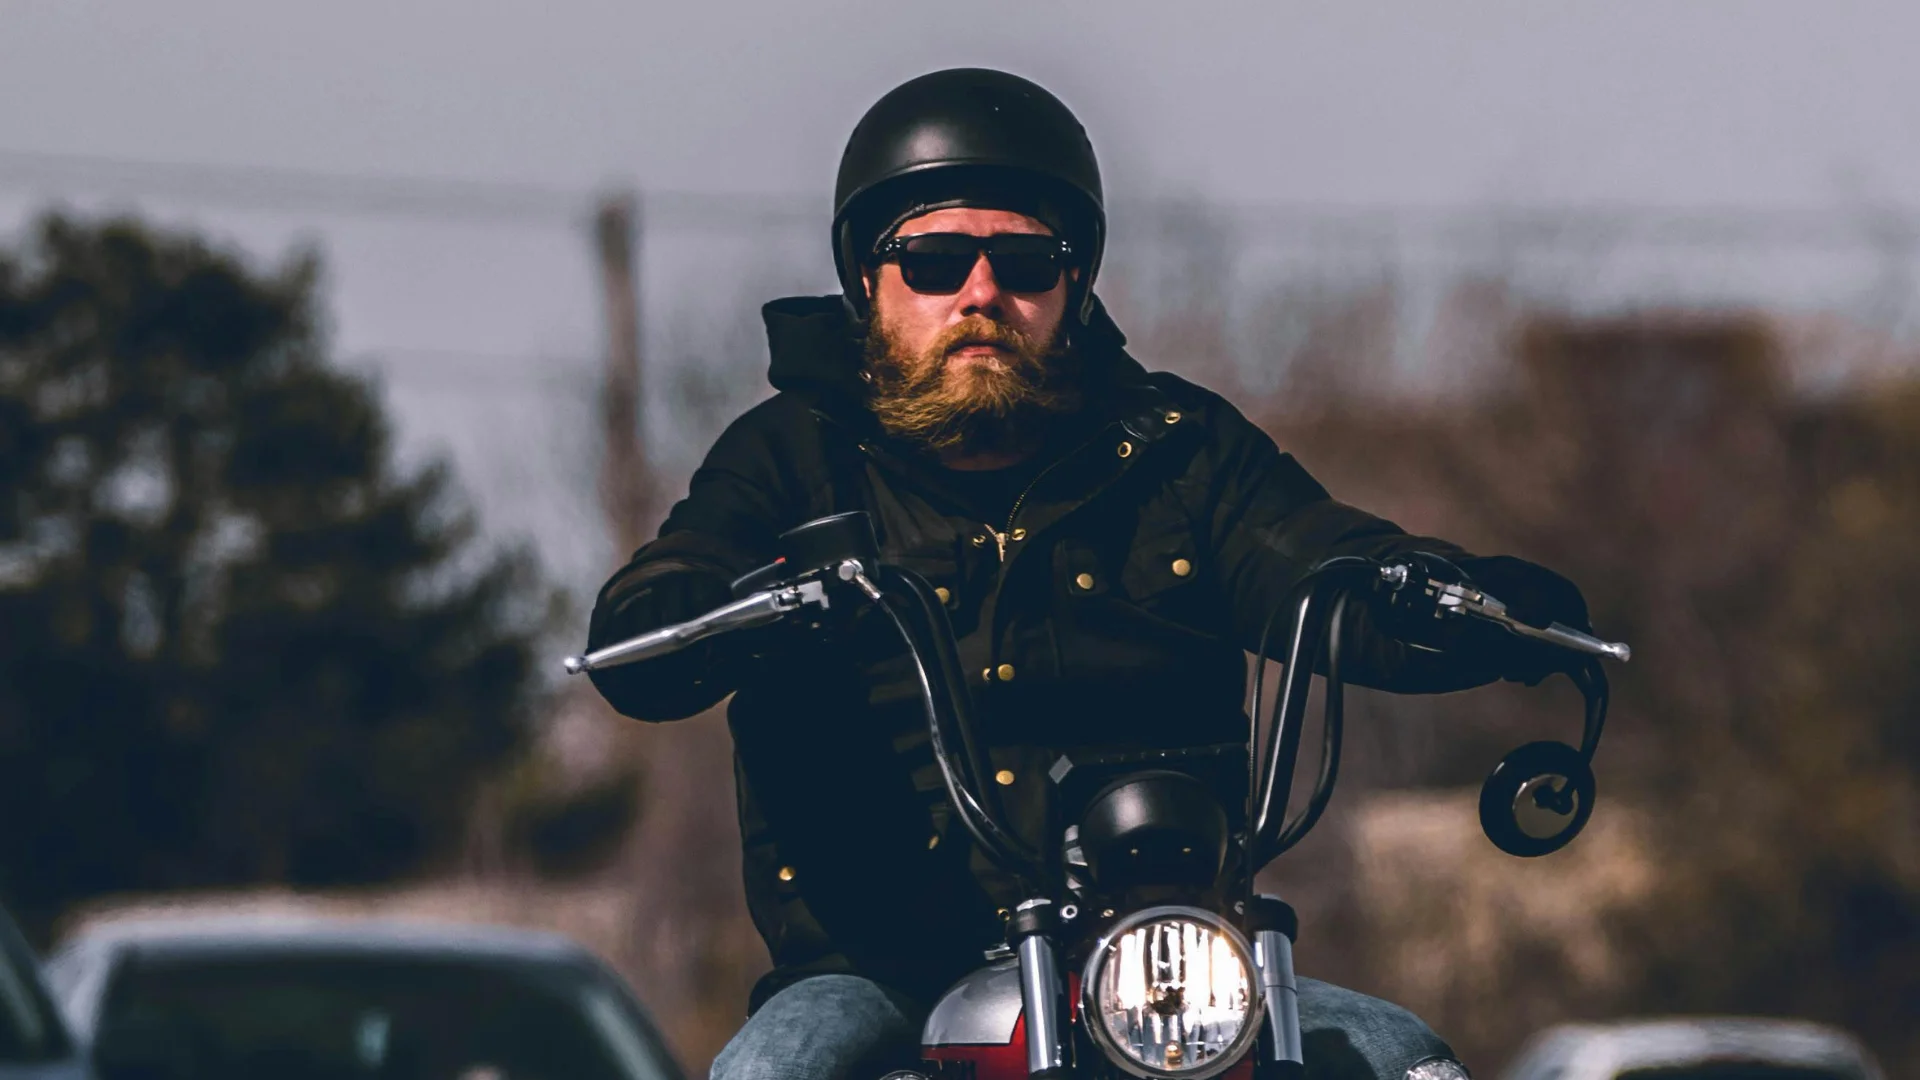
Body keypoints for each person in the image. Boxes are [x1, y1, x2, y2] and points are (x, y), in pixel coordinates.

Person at [586, 68, 1590, 1080]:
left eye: (1023, 260)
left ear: (1072, 283)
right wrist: (690, 609)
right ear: (867, 283)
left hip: (1170, 964)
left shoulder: (1175, 449)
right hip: (875, 967)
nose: (982, 293)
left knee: (1407, 1062)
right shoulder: (790, 460)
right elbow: (674, 587)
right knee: (773, 1070)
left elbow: (1319, 559)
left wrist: (1459, 596)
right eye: (934, 261)